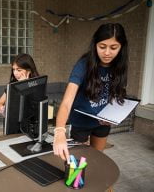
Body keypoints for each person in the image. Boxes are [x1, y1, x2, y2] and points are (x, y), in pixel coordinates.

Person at [53, 23, 128, 162]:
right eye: (102, 46)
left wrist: (112, 115)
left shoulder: (119, 67)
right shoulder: (83, 65)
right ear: (95, 45)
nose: (107, 53)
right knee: (77, 163)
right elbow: (67, 102)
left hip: (102, 123)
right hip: (81, 122)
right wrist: (59, 131)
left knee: (97, 160)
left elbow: (117, 95)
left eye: (113, 48)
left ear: (121, 47)